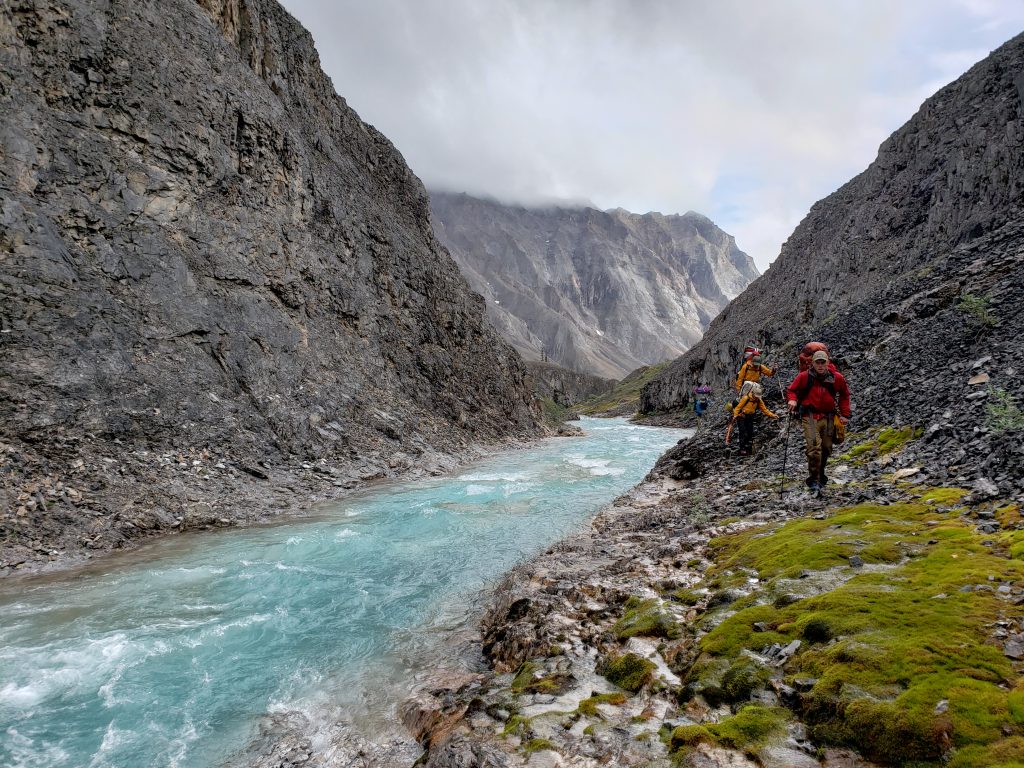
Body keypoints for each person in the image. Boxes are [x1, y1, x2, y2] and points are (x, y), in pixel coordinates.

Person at [786, 350, 851, 492]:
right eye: (818, 362)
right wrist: (792, 399)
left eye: (823, 362)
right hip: (810, 416)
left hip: (829, 417)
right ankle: (814, 479)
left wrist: (845, 414)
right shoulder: (804, 377)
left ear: (828, 362)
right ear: (812, 363)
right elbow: (791, 390)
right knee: (814, 447)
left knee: (827, 448)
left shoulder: (837, 378)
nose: (820, 365)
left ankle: (821, 474)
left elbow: (845, 395)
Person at [731, 382, 778, 455]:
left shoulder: (759, 400)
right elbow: (738, 408)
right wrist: (735, 416)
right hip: (741, 416)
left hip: (750, 417)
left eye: (758, 396)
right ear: (752, 393)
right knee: (742, 431)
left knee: (750, 432)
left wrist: (772, 415)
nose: (756, 397)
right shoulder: (746, 398)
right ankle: (742, 448)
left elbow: (764, 410)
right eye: (756, 396)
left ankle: (748, 447)